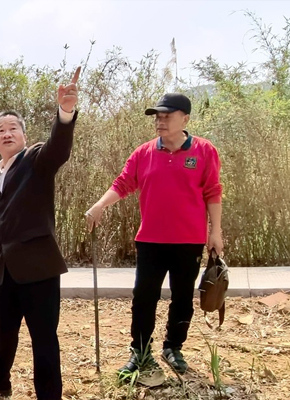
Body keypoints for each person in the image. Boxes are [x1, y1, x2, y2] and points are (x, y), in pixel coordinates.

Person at [85, 93, 224, 375]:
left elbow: (212, 191)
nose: (160, 121)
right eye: (158, 117)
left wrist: (216, 231)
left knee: (182, 297)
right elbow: (123, 183)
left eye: (166, 116)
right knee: (143, 297)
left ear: (185, 119)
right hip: (150, 240)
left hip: (189, 240)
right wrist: (100, 205)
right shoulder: (143, 153)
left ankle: (173, 347)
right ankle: (140, 351)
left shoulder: (204, 151)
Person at [0, 67, 81, 400]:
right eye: (0, 130)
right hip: (7, 272)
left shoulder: (35, 160)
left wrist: (65, 113)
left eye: (12, 128)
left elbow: (59, 149)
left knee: (43, 338)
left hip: (39, 268)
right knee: (4, 331)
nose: (6, 134)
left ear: (24, 135)